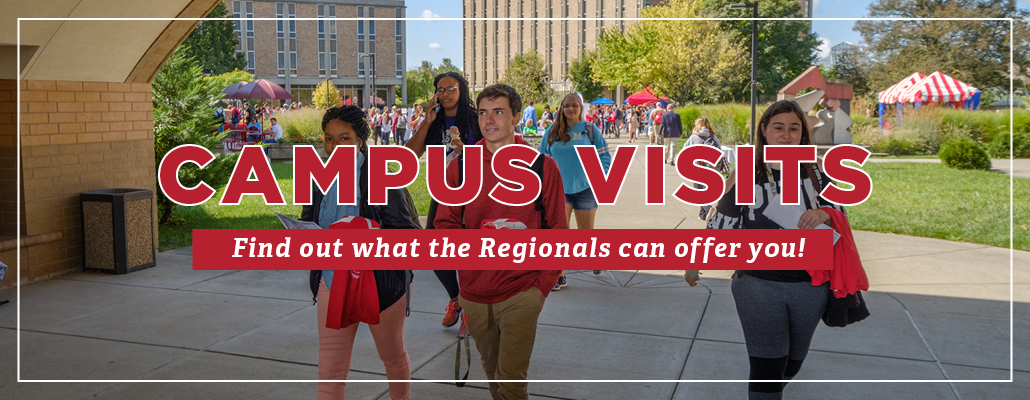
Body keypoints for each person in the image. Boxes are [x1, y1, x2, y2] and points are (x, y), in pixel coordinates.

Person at [704, 100, 848, 400]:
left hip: (811, 284)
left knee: (793, 361)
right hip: (757, 283)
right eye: (778, 127)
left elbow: (840, 214)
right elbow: (721, 225)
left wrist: (825, 214)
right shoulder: (747, 173)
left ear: (802, 134)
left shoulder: (816, 174)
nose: (786, 134)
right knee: (766, 367)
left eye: (794, 128)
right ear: (764, 131)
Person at [435, 84, 566, 400]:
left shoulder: (541, 167)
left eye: (498, 112)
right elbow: (444, 225)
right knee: (494, 374)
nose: (488, 120)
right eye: (482, 112)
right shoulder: (461, 166)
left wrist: (541, 289)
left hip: (522, 292)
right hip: (475, 294)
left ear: (516, 117)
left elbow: (558, 231)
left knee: (510, 381)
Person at [300, 105, 422, 400]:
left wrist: (367, 235)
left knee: (392, 357)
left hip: (381, 285)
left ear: (359, 140)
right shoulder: (317, 178)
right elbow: (308, 222)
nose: (334, 146)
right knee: (329, 373)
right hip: (332, 282)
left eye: (344, 138)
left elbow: (409, 236)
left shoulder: (383, 177)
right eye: (328, 138)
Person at [403, 71, 483, 328]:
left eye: (451, 88)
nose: (445, 93)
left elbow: (495, 152)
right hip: (443, 191)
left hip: (475, 191)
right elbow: (410, 155)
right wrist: (427, 122)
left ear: (462, 90)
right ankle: (456, 299)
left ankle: (472, 308)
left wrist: (468, 152)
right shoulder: (434, 122)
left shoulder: (475, 119)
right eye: (440, 89)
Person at [539, 94, 612, 289]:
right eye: (567, 106)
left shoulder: (590, 130)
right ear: (561, 109)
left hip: (585, 188)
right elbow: (542, 157)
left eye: (575, 106)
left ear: (581, 108)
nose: (571, 109)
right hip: (559, 190)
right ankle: (559, 275)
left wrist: (599, 177)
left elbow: (604, 156)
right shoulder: (552, 131)